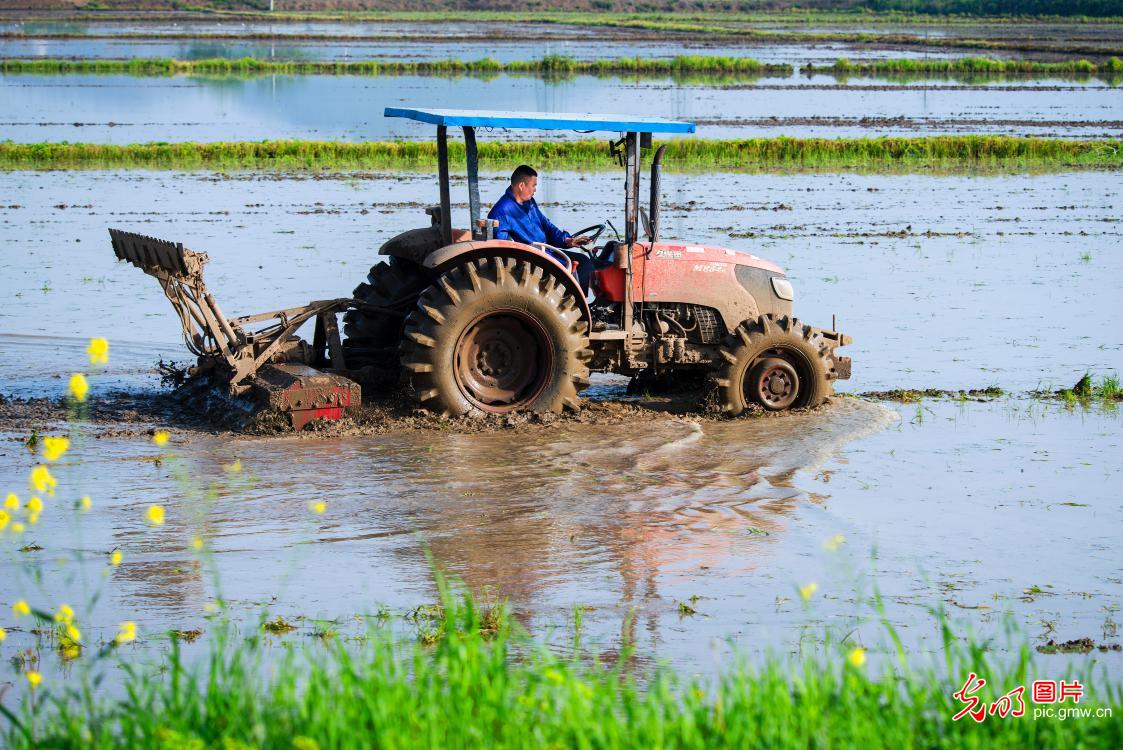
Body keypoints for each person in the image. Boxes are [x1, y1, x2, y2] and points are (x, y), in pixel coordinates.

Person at [487, 165, 594, 293]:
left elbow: (546, 226)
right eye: (534, 185)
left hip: (547, 253)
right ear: (521, 185)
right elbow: (503, 251)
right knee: (583, 266)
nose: (535, 190)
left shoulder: (529, 203)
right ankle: (575, 304)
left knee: (585, 262)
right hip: (535, 261)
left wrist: (567, 240)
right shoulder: (501, 212)